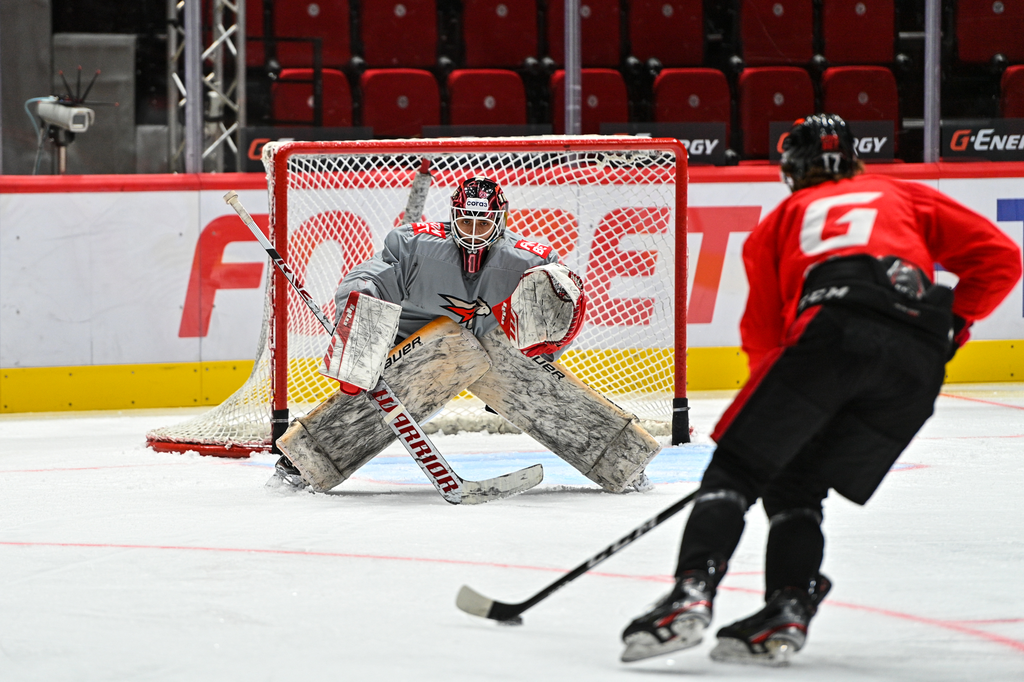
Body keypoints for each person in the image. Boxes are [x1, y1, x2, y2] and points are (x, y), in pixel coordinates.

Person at [620, 114, 1022, 665]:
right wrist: (952, 325)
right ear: (857, 160)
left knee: (737, 470)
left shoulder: (778, 222)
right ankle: (787, 607)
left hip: (831, 333)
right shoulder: (898, 192)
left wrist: (761, 435)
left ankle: (690, 597)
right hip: (917, 363)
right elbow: (1001, 259)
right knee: (797, 482)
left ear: (791, 171)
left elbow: (764, 342)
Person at [271, 176, 660, 495]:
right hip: (418, 344)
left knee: (540, 385)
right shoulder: (415, 246)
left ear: (500, 222)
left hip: (490, 347)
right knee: (409, 376)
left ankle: (620, 459)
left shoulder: (531, 262)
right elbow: (369, 278)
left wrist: (543, 360)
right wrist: (358, 329)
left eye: (483, 224)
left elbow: (554, 315)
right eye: (467, 222)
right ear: (453, 218)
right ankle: (303, 461)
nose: (474, 233)